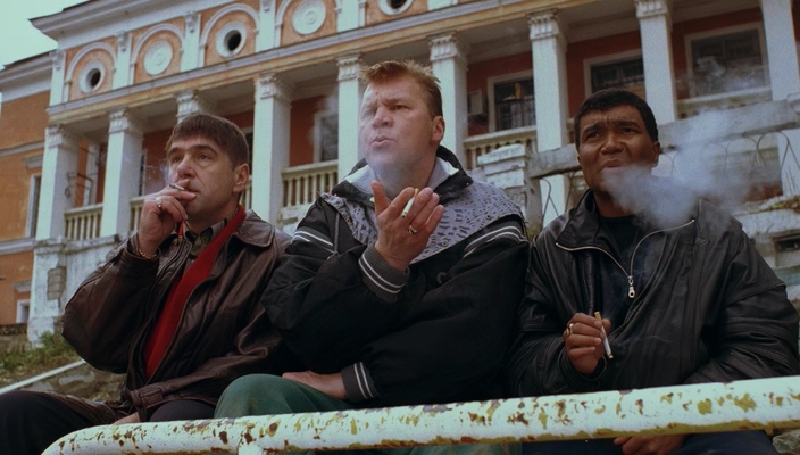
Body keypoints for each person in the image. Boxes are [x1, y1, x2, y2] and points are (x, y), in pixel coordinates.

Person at [214, 60, 528, 455]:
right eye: (370, 111)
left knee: (481, 440)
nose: (380, 119)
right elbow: (294, 319)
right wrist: (382, 263)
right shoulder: (331, 213)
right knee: (250, 396)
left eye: (398, 107)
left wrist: (352, 379)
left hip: (445, 414)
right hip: (338, 414)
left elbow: (473, 338)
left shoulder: (489, 212)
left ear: (436, 129)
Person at [507, 89, 800, 455]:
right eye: (594, 135)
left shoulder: (714, 233)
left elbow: (769, 345)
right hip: (591, 426)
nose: (610, 145)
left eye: (626, 130)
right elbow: (521, 361)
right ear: (581, 159)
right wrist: (568, 361)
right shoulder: (553, 247)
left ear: (654, 151)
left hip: (703, 423)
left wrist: (682, 413)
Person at [0, 113, 292, 454]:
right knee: (13, 412)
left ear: (239, 177)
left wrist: (150, 409)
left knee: (170, 421)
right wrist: (141, 251)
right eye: (176, 158)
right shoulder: (154, 248)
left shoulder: (274, 252)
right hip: (133, 410)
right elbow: (91, 341)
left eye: (203, 156)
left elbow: (255, 357)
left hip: (208, 413)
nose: (183, 169)